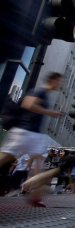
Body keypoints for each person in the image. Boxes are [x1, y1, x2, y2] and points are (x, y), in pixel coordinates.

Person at [0, 72, 63, 206]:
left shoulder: (45, 94)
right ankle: (35, 195)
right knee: (5, 157)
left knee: (38, 164)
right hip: (24, 131)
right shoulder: (39, 92)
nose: (60, 84)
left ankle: (35, 196)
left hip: (34, 134)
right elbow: (28, 104)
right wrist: (50, 113)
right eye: (59, 81)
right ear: (53, 80)